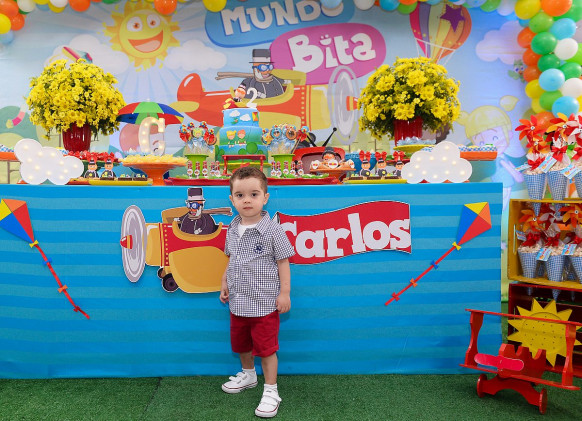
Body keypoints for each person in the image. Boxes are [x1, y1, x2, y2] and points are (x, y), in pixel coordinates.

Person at [219, 166, 295, 418]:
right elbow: (231, 258)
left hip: (264, 305)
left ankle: (271, 390)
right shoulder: (232, 228)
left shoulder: (273, 230)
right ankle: (249, 374)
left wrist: (284, 293)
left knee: (266, 348)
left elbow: (283, 261)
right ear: (232, 200)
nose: (247, 200)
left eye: (254, 194)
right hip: (238, 303)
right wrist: (224, 281)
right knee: (241, 343)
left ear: (265, 197)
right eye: (240, 195)